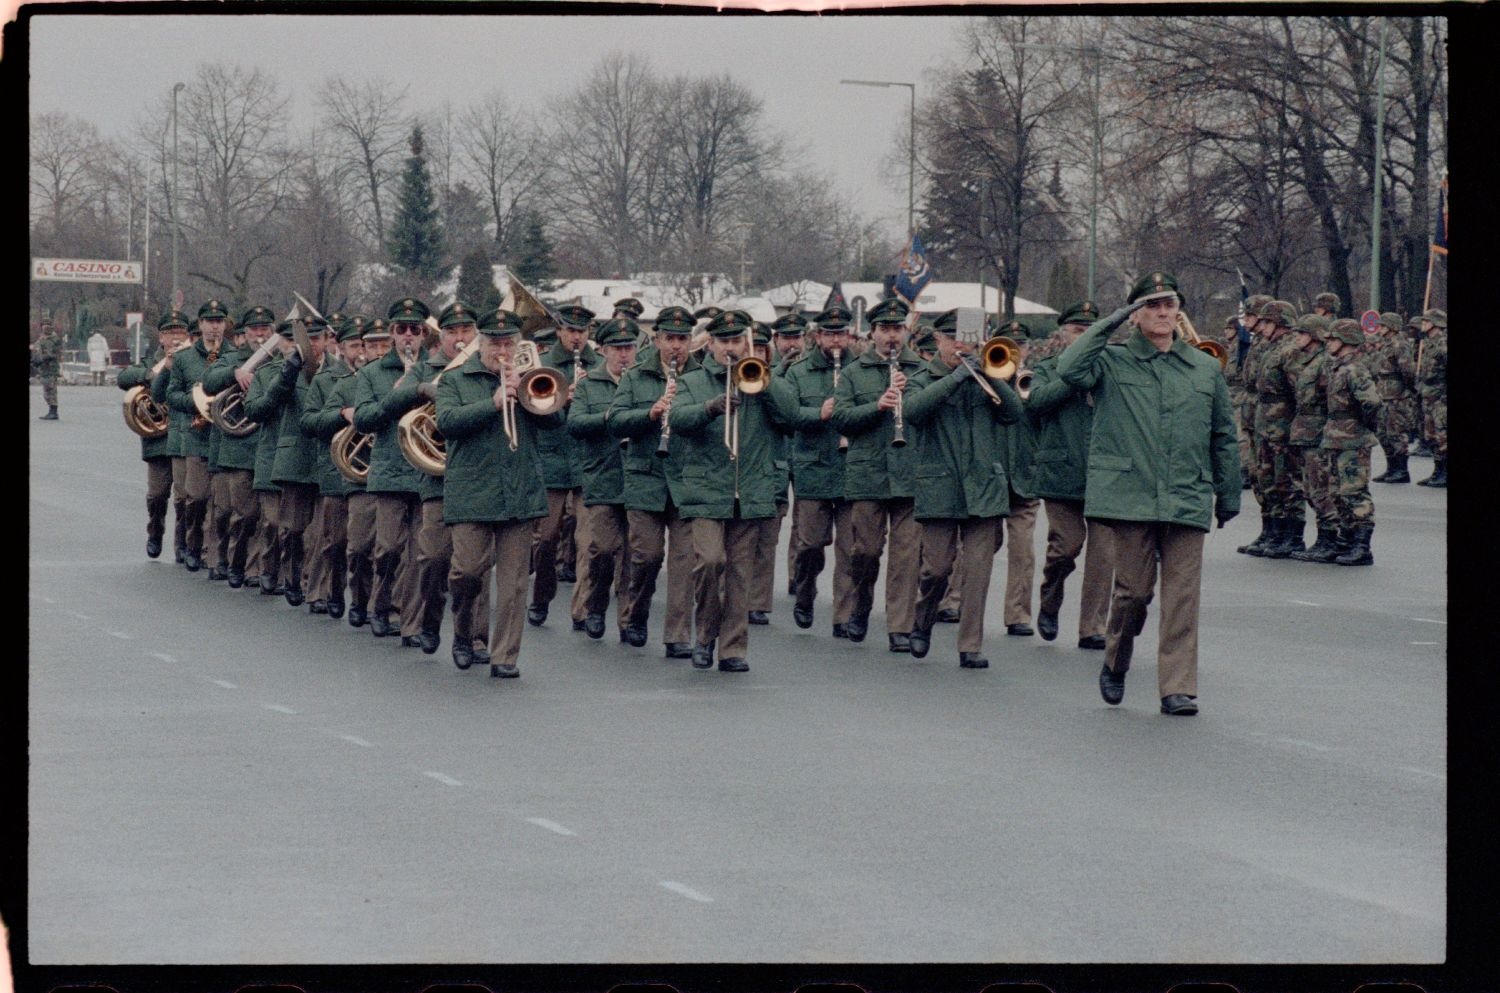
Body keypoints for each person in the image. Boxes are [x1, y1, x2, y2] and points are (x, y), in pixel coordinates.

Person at [1055, 271, 1240, 716]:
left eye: (1168, 304)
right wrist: (1112, 320)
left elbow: (1223, 434)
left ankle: (1177, 687)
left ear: (1179, 311)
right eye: (1151, 305)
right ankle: (1116, 659)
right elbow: (1068, 368)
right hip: (1130, 495)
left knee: (1182, 597)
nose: (1162, 313)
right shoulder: (1111, 363)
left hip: (1187, 495)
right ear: (1136, 314)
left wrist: (1228, 492)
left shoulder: (1203, 367)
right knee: (1133, 593)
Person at [667, 309, 799, 672]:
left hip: (751, 488)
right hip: (707, 489)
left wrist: (763, 378)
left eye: (736, 341)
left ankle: (733, 648)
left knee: (741, 574)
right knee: (710, 562)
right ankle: (706, 634)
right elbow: (677, 420)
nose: (730, 348)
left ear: (747, 342)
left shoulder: (759, 376)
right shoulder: (694, 380)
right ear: (710, 344)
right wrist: (710, 408)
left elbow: (791, 417)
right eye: (724, 341)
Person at [436, 309, 559, 679]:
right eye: (495, 343)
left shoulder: (528, 376)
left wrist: (528, 391)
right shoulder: (454, 379)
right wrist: (491, 403)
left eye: (509, 343)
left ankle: (505, 656)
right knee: (467, 571)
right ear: (481, 343)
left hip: (519, 491)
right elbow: (447, 423)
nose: (502, 350)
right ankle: (463, 633)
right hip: (472, 491)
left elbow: (555, 422)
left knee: (514, 584)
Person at [903, 308, 1025, 669]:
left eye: (968, 338)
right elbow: (913, 411)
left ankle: (970, 645)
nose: (962, 344)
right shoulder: (922, 377)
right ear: (938, 340)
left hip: (984, 486)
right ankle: (922, 620)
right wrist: (955, 377)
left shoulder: (989, 374)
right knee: (936, 569)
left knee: (978, 571)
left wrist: (990, 375)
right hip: (941, 486)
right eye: (954, 338)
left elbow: (1014, 412)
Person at [830, 296, 925, 652]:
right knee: (865, 552)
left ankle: (900, 626)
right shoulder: (855, 372)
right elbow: (840, 418)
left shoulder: (920, 369)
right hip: (868, 474)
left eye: (897, 329)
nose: (891, 337)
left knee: (906, 556)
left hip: (910, 474)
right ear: (872, 333)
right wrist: (877, 405)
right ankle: (860, 604)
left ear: (906, 331)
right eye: (884, 330)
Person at [605, 305, 700, 656]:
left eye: (682, 339)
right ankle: (636, 613)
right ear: (657, 339)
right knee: (646, 557)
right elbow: (616, 421)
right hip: (646, 478)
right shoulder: (635, 376)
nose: (676, 346)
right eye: (669, 339)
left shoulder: (702, 376)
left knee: (685, 562)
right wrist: (651, 413)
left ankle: (677, 636)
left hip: (687, 479)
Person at [1025, 301, 1113, 650]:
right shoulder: (1047, 369)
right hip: (1061, 470)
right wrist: (1074, 376)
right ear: (1064, 333)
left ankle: (1092, 626)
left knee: (1105, 553)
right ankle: (1051, 593)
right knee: (1067, 545)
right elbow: (1037, 402)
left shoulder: (1110, 369)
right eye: (1078, 331)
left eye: (1091, 332)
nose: (1084, 337)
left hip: (1105, 472)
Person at [354, 298, 430, 640]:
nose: (408, 336)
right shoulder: (372, 373)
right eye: (402, 330)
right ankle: (380, 605)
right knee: (388, 548)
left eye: (415, 330)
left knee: (420, 553)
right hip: (389, 469)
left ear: (425, 334)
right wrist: (396, 396)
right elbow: (363, 419)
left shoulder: (437, 368)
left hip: (427, 469)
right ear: (392, 334)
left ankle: (410, 621)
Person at [781, 304, 857, 638]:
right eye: (830, 334)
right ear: (818, 337)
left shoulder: (859, 369)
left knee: (851, 548)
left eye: (841, 333)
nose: (836, 340)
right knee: (810, 545)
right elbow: (787, 415)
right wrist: (819, 414)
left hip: (852, 468)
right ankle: (805, 590)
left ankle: (843, 615)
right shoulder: (798, 372)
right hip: (813, 468)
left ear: (850, 335)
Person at [567, 317, 640, 639]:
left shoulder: (645, 381)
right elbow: (575, 424)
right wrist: (608, 418)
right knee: (602, 549)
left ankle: (628, 620)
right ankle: (595, 605)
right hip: (602, 475)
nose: (624, 355)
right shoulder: (588, 384)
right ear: (603, 350)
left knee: (637, 554)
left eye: (629, 348)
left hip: (641, 477)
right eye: (617, 348)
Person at [529, 304, 601, 629]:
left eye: (582, 332)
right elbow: (533, 412)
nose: (576, 338)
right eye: (571, 331)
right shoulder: (543, 366)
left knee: (589, 542)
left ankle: (582, 610)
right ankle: (541, 596)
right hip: (551, 461)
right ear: (559, 331)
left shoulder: (598, 366)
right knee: (545, 540)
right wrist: (562, 400)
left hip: (587, 461)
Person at [200, 304, 271, 588]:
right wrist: (235, 372)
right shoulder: (231, 357)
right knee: (235, 512)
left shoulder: (279, 360)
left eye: (265, 328)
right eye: (255, 329)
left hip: (266, 445)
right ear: (244, 333)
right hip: (236, 448)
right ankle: (227, 560)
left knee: (261, 515)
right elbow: (209, 382)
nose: (260, 334)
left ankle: (252, 568)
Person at [117, 313, 190, 558]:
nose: (176, 339)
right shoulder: (150, 362)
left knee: (183, 497)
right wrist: (153, 375)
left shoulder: (192, 361)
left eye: (181, 334)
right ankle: (155, 530)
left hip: (183, 437)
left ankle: (182, 543)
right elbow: (123, 378)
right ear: (161, 338)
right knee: (158, 494)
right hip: (158, 440)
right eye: (171, 334)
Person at [165, 303, 228, 571]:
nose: (215, 325)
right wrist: (196, 403)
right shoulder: (185, 358)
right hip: (196, 433)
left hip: (225, 436)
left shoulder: (235, 356)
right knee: (197, 496)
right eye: (209, 321)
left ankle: (212, 555)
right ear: (200, 324)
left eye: (219, 321)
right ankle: (191, 544)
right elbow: (170, 395)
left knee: (221, 503)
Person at [1321, 319, 1383, 564]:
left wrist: (1361, 425)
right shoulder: (1339, 368)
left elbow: (1373, 402)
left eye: (1333, 339)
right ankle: (1346, 540)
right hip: (1336, 437)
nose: (1329, 343)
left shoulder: (1355, 369)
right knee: (1338, 493)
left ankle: (1361, 546)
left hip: (1352, 439)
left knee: (1355, 492)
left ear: (1346, 341)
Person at [996, 319, 1041, 637]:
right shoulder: (984, 380)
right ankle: (952, 600)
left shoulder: (1034, 380)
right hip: (991, 472)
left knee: (1023, 550)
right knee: (976, 546)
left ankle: (1018, 614)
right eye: (1008, 347)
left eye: (1020, 347)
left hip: (1024, 472)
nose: (1015, 353)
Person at [1285, 316, 1342, 562]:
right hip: (1304, 430)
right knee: (1309, 488)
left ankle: (1330, 538)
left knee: (1321, 488)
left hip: (1318, 431)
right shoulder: (1307, 361)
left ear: (1315, 336)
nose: (1297, 336)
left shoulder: (1324, 363)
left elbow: (1332, 398)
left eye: (1302, 333)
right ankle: (1323, 539)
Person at [1369, 312, 1418, 485]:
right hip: (1384, 395)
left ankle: (1401, 470)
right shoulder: (1385, 344)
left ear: (1392, 327)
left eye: (1383, 326)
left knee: (1397, 433)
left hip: (1396, 396)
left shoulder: (1400, 345)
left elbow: (1408, 371)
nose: (1380, 329)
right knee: (1383, 433)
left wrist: (1408, 390)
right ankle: (1391, 467)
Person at [1415, 309, 1447, 487]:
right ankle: (1438, 470)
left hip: (1440, 397)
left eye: (1426, 321)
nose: (1423, 324)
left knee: (1442, 435)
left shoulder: (1443, 345)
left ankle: (1445, 472)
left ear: (1435, 323)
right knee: (1431, 435)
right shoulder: (1429, 343)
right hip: (1429, 396)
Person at [32, 319, 64, 419]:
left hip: (51, 368)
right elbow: (37, 350)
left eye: (47, 325)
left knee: (51, 390)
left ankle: (54, 412)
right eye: (44, 325)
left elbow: (56, 354)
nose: (45, 327)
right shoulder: (41, 339)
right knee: (46, 392)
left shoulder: (55, 339)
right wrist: (35, 360)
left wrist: (44, 358)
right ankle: (51, 410)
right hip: (43, 368)